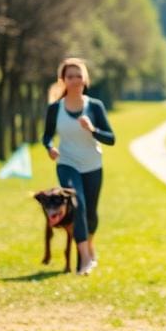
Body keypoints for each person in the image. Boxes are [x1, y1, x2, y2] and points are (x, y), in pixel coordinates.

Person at [41, 57, 115, 275]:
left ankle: (89, 247)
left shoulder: (95, 106)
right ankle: (84, 259)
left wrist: (92, 130)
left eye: (78, 76)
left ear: (85, 79)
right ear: (63, 80)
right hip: (67, 163)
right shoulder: (55, 109)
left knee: (90, 213)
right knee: (78, 204)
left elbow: (111, 139)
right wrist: (50, 147)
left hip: (92, 164)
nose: (74, 80)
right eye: (70, 76)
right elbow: (46, 136)